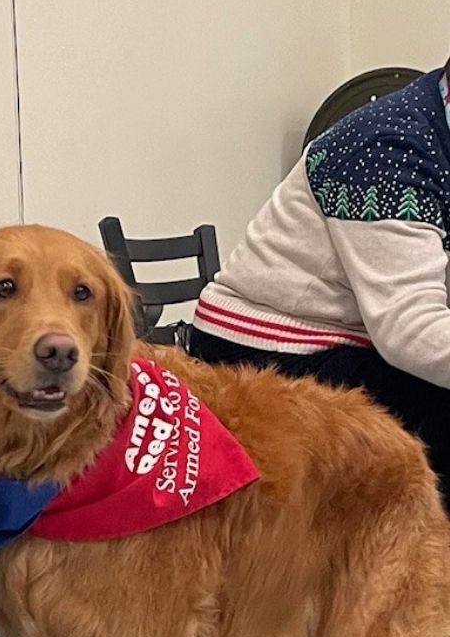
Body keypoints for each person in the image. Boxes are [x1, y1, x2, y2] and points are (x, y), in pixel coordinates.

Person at [188, 57, 450, 494]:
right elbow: (411, 329)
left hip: (342, 334)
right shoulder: (389, 149)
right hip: (267, 343)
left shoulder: (433, 124)